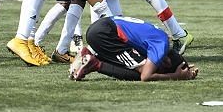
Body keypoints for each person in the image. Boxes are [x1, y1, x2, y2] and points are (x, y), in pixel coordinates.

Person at [69, 16, 199, 82]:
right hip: (106, 33)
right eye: (162, 68)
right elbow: (145, 76)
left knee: (134, 63)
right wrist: (175, 76)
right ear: (167, 62)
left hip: (103, 28)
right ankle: (95, 63)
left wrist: (183, 64)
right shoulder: (161, 46)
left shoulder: (161, 39)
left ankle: (92, 55)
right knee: (140, 72)